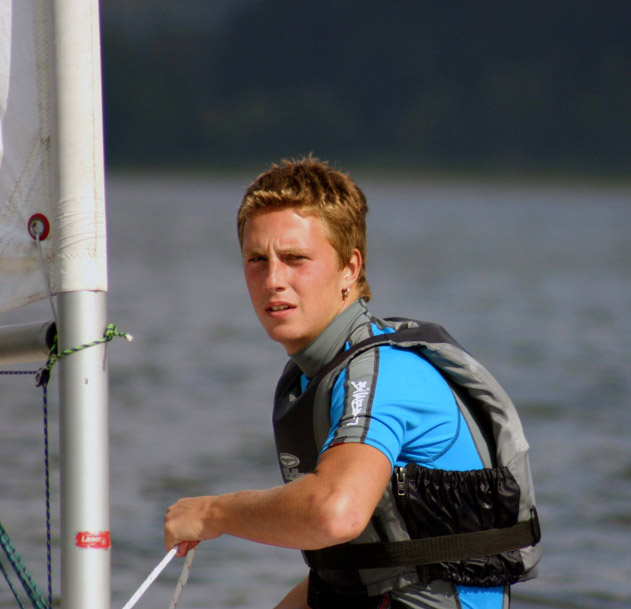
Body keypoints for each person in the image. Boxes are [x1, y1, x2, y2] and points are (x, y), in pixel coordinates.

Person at [164, 156, 541, 609]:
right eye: (257, 260)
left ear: (350, 268)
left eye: (295, 258)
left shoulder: (383, 373)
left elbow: (335, 513)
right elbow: (348, 572)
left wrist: (213, 513)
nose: (273, 280)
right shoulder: (312, 376)